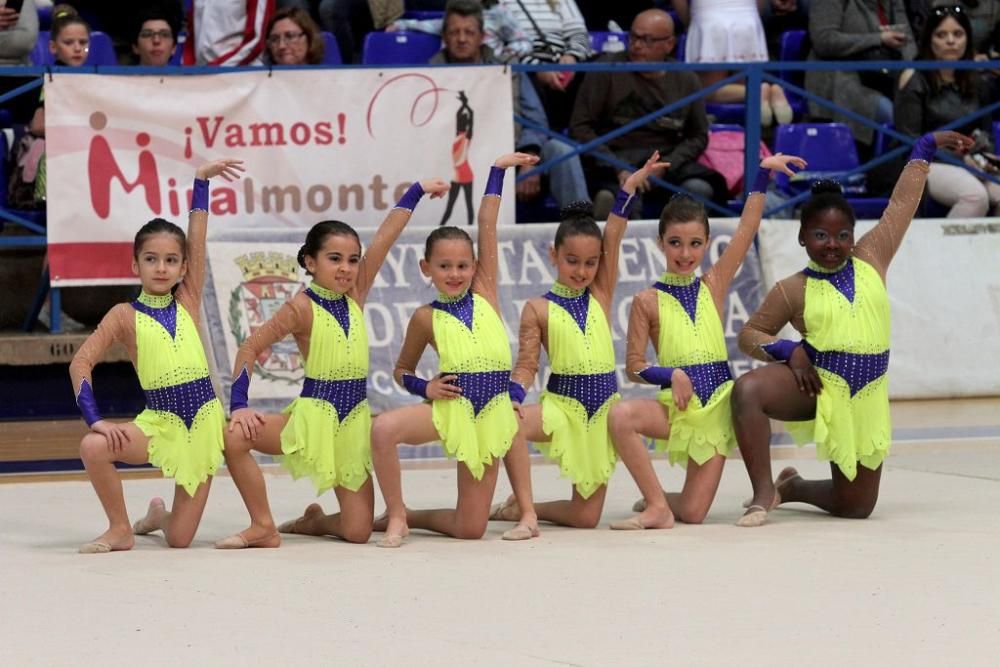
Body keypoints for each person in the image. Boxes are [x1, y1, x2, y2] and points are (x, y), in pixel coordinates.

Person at [731, 130, 971, 527]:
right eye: (821, 235)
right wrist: (789, 351)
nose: (832, 244)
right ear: (803, 237)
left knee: (855, 506)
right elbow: (749, 336)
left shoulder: (872, 257)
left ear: (853, 237)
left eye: (843, 235)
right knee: (748, 390)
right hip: (819, 385)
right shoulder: (792, 288)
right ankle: (763, 491)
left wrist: (925, 147)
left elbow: (901, 205)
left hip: (866, 396)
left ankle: (792, 487)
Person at [217, 178, 449, 549]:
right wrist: (239, 406)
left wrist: (418, 191)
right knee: (234, 435)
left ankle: (314, 522)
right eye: (334, 259)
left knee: (358, 531)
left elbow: (387, 235)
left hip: (353, 423)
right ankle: (263, 525)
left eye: (353, 260)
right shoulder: (300, 307)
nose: (346, 268)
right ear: (310, 262)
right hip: (312, 418)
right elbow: (249, 347)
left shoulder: (356, 293)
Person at [606, 154, 805, 530]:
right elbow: (634, 366)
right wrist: (671, 375)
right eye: (676, 243)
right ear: (660, 242)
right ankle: (656, 506)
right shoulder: (646, 301)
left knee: (695, 513)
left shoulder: (712, 285)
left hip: (715, 410)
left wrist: (761, 174)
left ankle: (660, 500)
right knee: (620, 416)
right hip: (679, 406)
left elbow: (746, 230)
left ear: (707, 243)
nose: (685, 253)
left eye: (695, 243)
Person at [488, 153, 670, 538]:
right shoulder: (537, 308)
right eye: (572, 261)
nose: (582, 271)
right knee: (508, 422)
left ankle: (518, 508)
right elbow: (526, 364)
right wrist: (515, 394)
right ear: (554, 256)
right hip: (562, 408)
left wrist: (628, 189)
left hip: (602, 410)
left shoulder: (600, 293)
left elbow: (615, 235)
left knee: (586, 517)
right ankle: (527, 514)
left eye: (590, 263)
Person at [68, 159, 245, 553]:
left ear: (183, 267)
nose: (161, 268)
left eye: (170, 260)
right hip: (159, 424)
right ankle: (120, 529)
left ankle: (157, 519)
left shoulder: (189, 298)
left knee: (180, 539)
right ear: (136, 264)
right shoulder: (124, 315)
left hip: (201, 427)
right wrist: (95, 419)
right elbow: (80, 363)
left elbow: (197, 237)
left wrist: (201, 181)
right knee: (93, 447)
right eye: (151, 259)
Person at [369, 152, 539, 548]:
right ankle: (396, 516)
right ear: (426, 267)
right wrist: (425, 389)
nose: (454, 274)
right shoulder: (425, 317)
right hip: (453, 409)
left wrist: (497, 171)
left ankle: (419, 516)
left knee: (470, 528)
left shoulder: (486, 293)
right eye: (444, 266)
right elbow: (402, 371)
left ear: (475, 266)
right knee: (383, 428)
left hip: (490, 413)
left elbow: (487, 225)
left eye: (463, 266)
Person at [429, 0, 589, 212]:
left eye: (469, 32)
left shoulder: (508, 69)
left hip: (512, 157)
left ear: (482, 36)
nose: (461, 39)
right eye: (454, 32)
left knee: (561, 150)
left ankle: (582, 227)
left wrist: (527, 159)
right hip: (453, 164)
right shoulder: (428, 75)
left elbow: (536, 121)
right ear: (444, 37)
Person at [570, 9, 728, 217]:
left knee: (699, 189)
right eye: (633, 37)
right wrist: (618, 167)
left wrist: (666, 166)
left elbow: (698, 136)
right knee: (621, 195)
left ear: (669, 44)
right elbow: (580, 127)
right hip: (614, 160)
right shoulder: (605, 70)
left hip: (666, 162)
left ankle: (685, 248)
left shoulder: (686, 79)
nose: (636, 46)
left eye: (647, 40)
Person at [895, 4, 1000, 217]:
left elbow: (985, 133)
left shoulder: (977, 81)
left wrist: (984, 158)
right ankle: (944, 251)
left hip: (971, 161)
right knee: (974, 196)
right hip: (925, 163)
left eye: (958, 34)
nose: (951, 41)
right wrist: (962, 160)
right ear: (929, 40)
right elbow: (909, 141)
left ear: (967, 39)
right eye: (942, 35)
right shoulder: (914, 78)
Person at [806, 0, 916, 150]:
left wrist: (913, 72)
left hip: (887, 75)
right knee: (891, 113)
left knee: (916, 107)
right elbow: (824, 40)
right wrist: (878, 39)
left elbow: (907, 39)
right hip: (840, 77)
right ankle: (881, 168)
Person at [671, 0, 793, 126]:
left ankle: (758, 91)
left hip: (710, 17)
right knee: (742, 92)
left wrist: (690, 21)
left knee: (706, 91)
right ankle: (770, 91)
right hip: (747, 19)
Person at [391, 0, 532, 62]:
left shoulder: (498, 12)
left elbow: (524, 41)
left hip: (492, 72)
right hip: (454, 72)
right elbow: (432, 25)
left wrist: (506, 55)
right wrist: (402, 24)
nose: (462, 38)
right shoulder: (453, 14)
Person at [184, 0, 274, 66]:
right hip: (201, 75)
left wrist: (217, 67)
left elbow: (258, 38)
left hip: (241, 74)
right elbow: (193, 33)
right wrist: (189, 67)